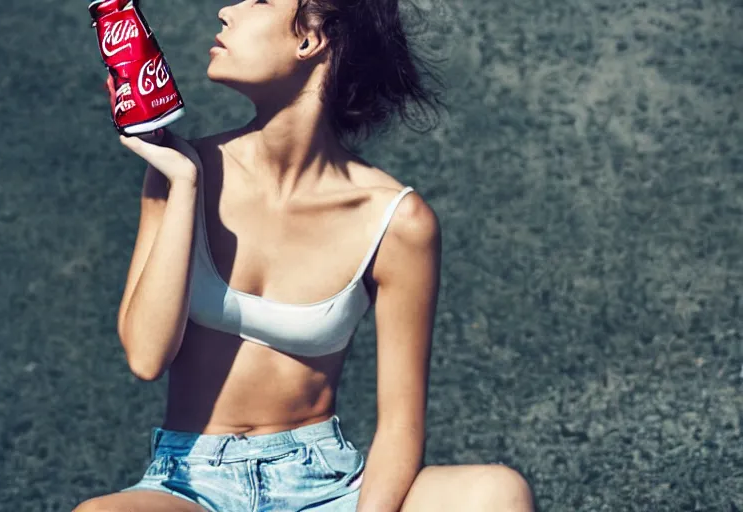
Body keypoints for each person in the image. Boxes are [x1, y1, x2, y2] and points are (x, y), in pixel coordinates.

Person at [74, 0, 535, 510]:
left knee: (496, 493)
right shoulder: (179, 172)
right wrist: (183, 181)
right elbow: (145, 356)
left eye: (260, 0)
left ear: (309, 40)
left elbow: (401, 424)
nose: (228, 10)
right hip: (189, 484)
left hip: (325, 486)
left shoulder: (398, 222)